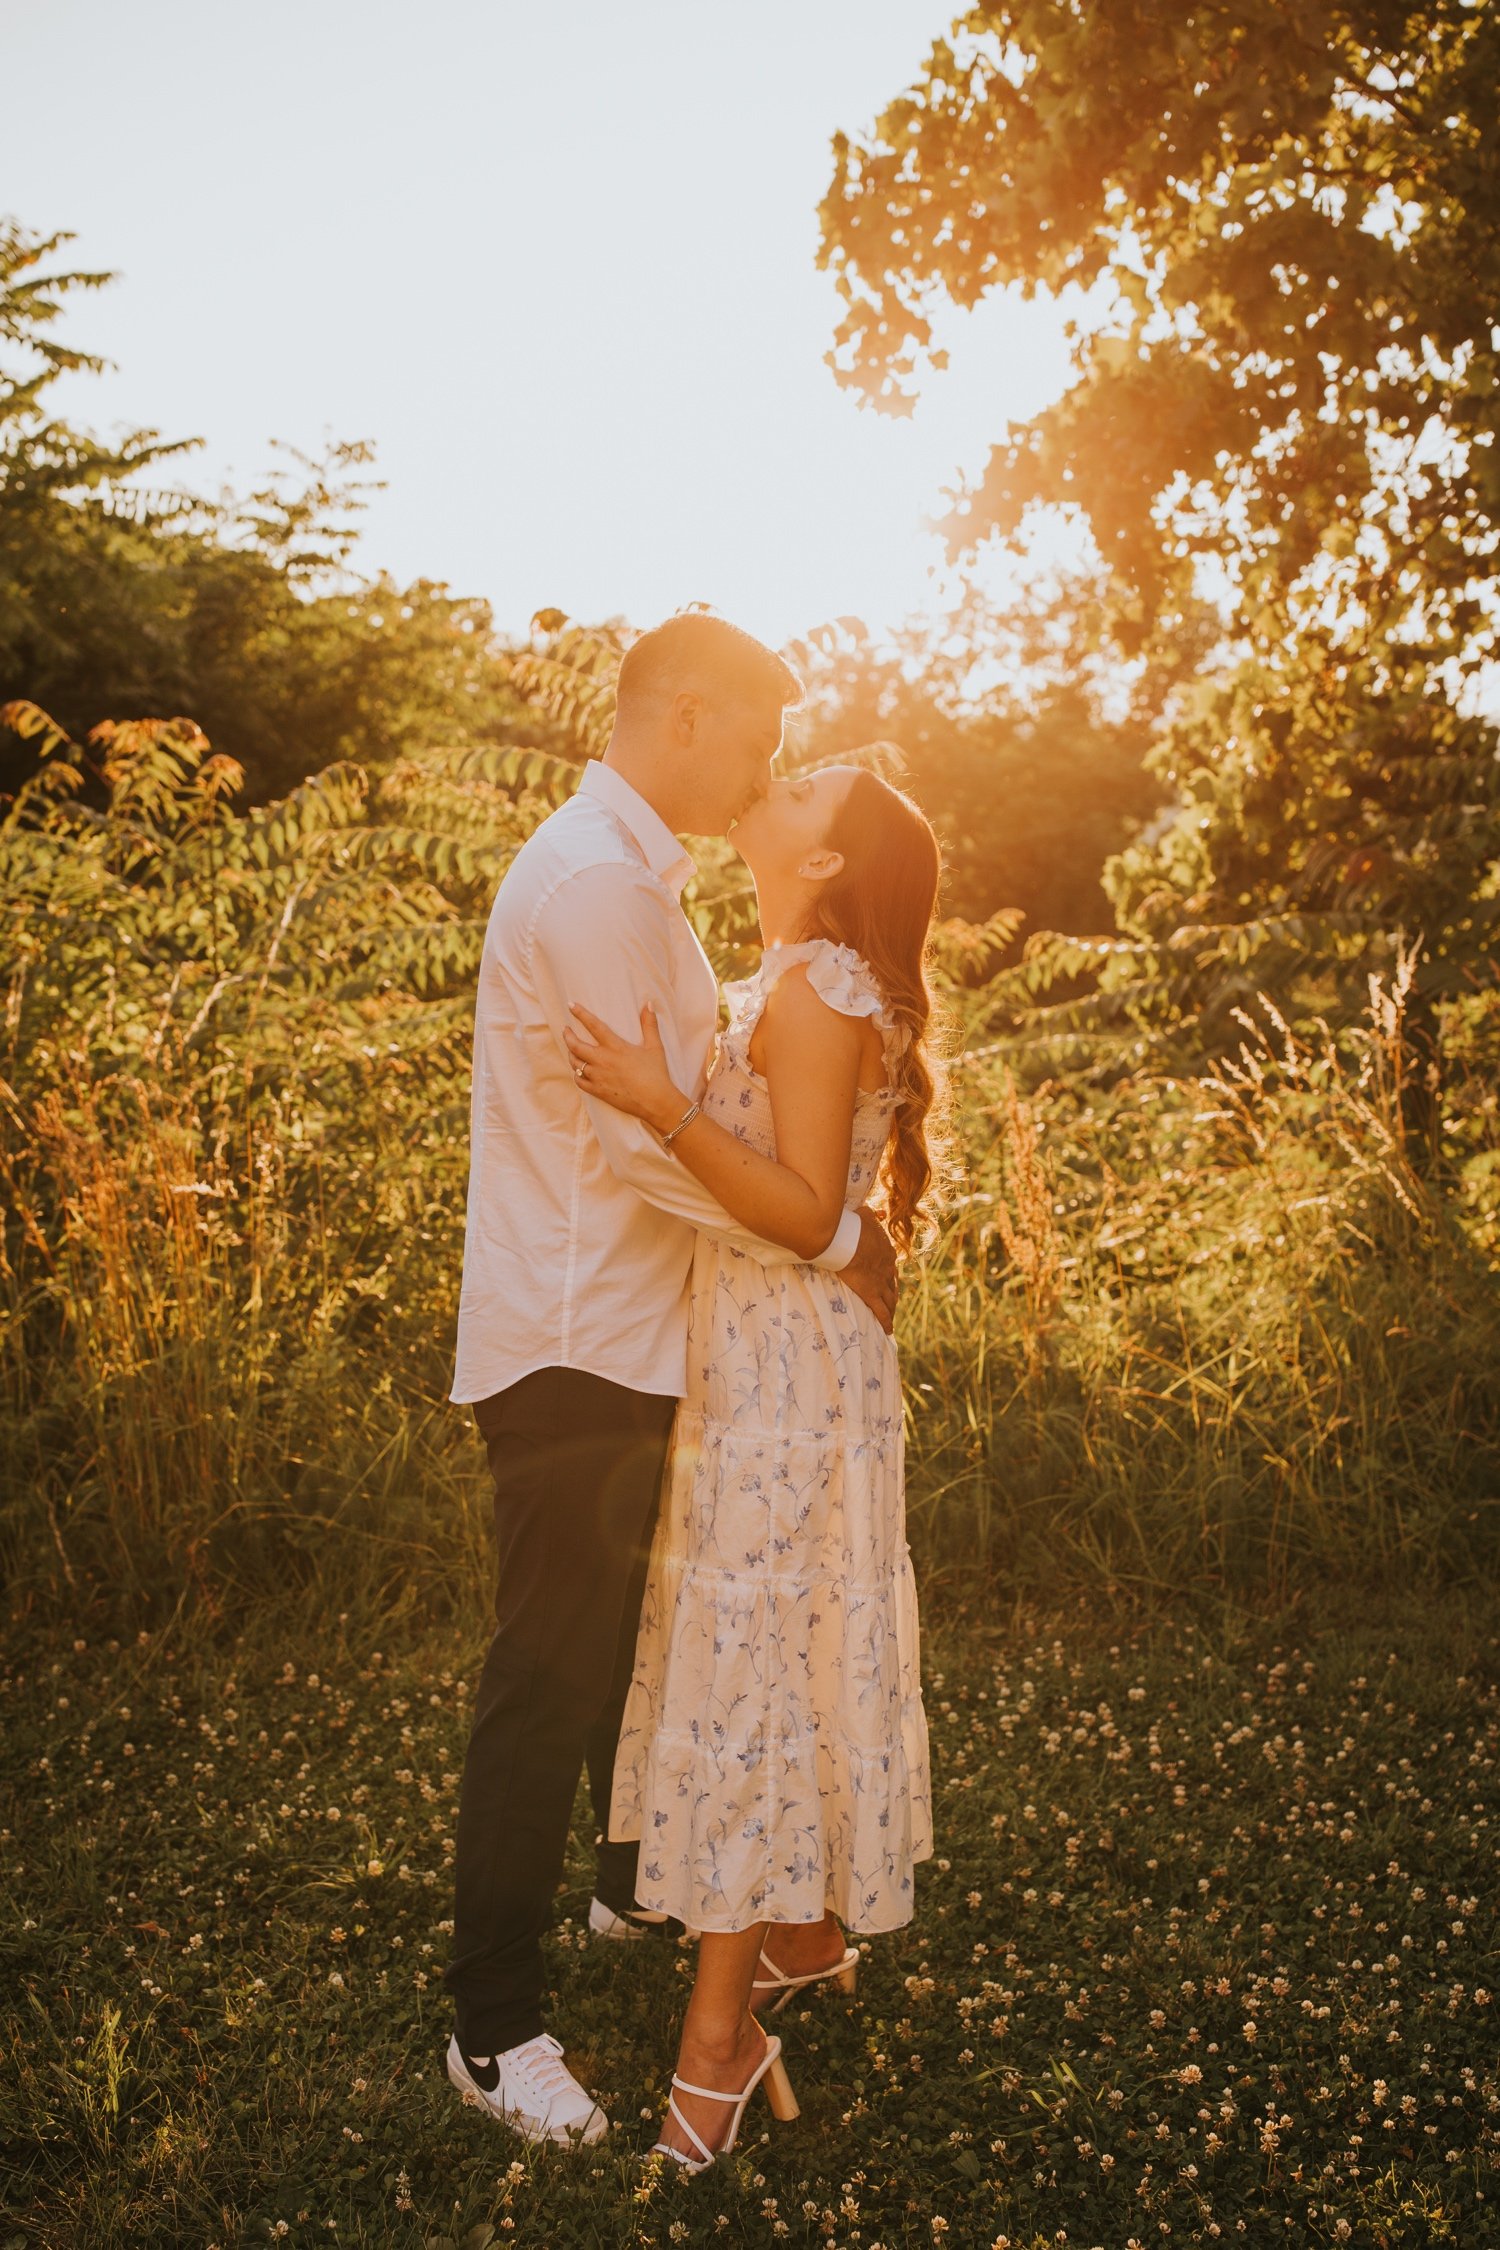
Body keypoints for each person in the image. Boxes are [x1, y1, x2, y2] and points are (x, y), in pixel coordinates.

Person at [442, 612, 899, 2148]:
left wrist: (823, 1216)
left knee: (626, 1658)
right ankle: (496, 2030)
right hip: (576, 1337)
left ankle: (646, 1888)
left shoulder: (641, 883)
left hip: (642, 1335)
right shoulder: (591, 892)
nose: (773, 765)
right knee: (550, 1672)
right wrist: (837, 1232)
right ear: (687, 717)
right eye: (763, 738)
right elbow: (658, 1145)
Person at [563, 760, 940, 2170]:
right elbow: (821, 1203)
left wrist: (665, 1103)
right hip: (765, 1358)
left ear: (830, 862)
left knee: (756, 1671)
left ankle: (720, 2041)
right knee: (761, 1653)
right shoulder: (794, 968)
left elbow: (796, 1205)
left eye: (804, 785)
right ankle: (798, 1928)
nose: (770, 785)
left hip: (791, 1366)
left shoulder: (820, 982)